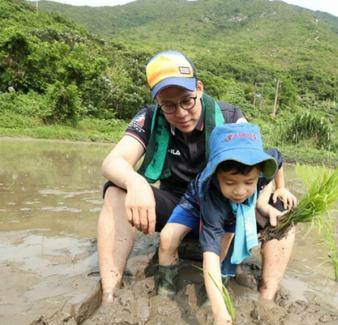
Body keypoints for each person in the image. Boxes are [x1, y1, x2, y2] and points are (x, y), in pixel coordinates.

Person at [97, 50, 296, 303]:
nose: (180, 112)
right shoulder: (149, 117)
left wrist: (268, 197)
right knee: (116, 190)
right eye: (168, 105)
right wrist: (136, 182)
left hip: (223, 206)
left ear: (199, 89)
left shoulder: (230, 118)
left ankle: (267, 297)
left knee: (284, 210)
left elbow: (253, 169)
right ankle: (109, 293)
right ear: (157, 100)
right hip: (177, 208)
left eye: (187, 101)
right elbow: (112, 162)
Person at [159, 123, 296, 325]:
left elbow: (277, 158)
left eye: (249, 182)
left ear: (259, 172)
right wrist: (221, 316)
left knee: (226, 243)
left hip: (231, 208)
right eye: (230, 182)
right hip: (195, 201)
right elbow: (209, 257)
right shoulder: (212, 196)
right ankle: (165, 289)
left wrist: (281, 187)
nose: (240, 190)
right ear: (216, 174)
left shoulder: (260, 168)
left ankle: (213, 290)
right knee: (167, 239)